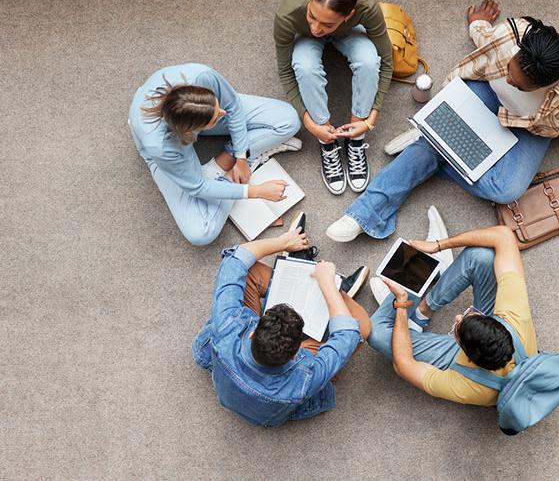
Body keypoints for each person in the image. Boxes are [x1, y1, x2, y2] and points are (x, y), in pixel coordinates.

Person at [326, 0, 559, 242]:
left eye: (517, 83)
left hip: (531, 125)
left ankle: (432, 142)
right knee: (443, 147)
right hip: (483, 93)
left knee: (505, 191)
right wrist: (478, 24)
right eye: (508, 69)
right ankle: (364, 213)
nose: (507, 78)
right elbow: (486, 40)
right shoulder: (512, 34)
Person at [192, 213, 371, 427]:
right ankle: (327, 288)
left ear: (252, 332)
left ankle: (301, 270)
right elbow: (349, 335)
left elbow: (236, 260)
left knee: (249, 270)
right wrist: (328, 287)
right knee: (362, 323)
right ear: (297, 352)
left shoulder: (228, 326)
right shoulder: (303, 380)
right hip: (279, 406)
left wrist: (283, 241)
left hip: (228, 367)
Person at [129, 63, 302, 245]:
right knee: (201, 233)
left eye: (217, 105)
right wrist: (254, 191)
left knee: (289, 120)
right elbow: (198, 187)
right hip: (168, 147)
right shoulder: (161, 147)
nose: (223, 113)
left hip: (194, 119)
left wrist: (241, 156)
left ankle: (229, 158)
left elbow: (232, 106)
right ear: (192, 131)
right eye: (215, 118)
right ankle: (229, 174)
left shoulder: (202, 76)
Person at [367, 225, 537, 407]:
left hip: (475, 370)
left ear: (467, 357)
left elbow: (403, 365)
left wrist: (401, 303)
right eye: (467, 315)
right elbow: (503, 235)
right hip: (499, 343)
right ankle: (421, 313)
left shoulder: (468, 387)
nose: (457, 317)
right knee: (481, 256)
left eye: (458, 328)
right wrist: (439, 245)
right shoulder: (515, 315)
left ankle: (414, 283)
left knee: (376, 333)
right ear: (499, 323)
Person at [274, 0, 393, 195]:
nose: (317, 28)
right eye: (312, 15)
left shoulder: (366, 8)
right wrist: (310, 123)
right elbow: (285, 70)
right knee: (303, 66)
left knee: (370, 61)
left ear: (348, 15)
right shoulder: (288, 16)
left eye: (326, 23)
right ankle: (326, 138)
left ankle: (355, 133)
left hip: (347, 33)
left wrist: (369, 121)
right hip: (304, 40)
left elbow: (387, 61)